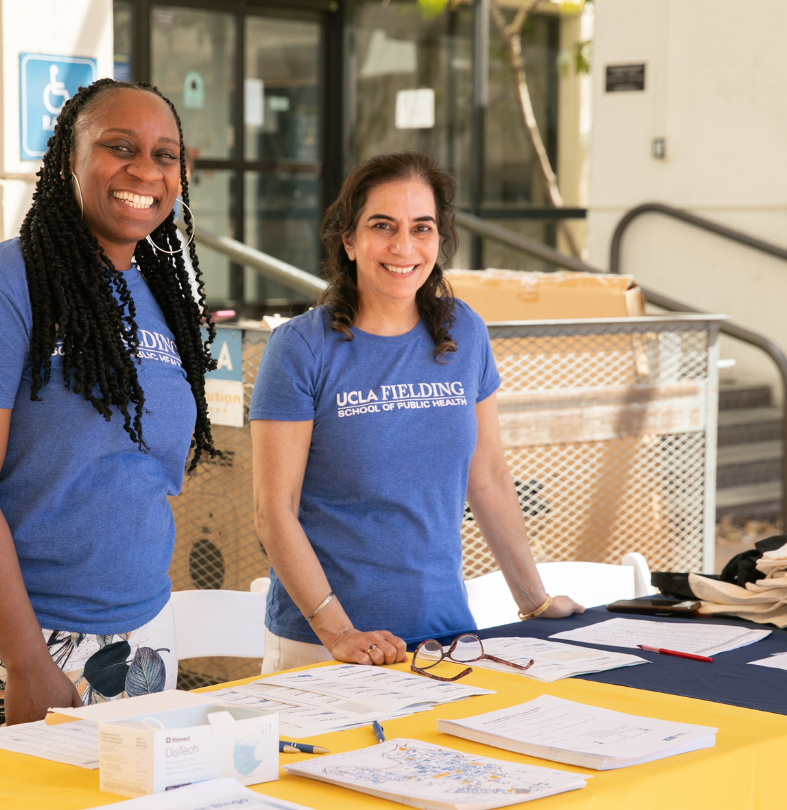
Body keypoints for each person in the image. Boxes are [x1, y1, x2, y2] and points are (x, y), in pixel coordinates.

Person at [0, 79, 217, 737]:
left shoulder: (161, 294)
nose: (146, 169)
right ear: (66, 160)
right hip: (22, 640)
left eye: (165, 155)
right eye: (120, 147)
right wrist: (27, 663)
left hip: (143, 632)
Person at [250, 152, 583, 673]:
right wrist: (341, 634)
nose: (404, 246)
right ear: (349, 239)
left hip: (446, 638)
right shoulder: (300, 348)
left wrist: (534, 601)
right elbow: (274, 510)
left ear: (438, 240)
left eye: (421, 228)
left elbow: (489, 478)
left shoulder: (463, 332)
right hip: (325, 648)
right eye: (383, 226)